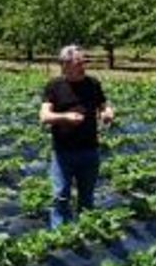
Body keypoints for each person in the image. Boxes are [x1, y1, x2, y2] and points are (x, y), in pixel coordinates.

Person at [39, 45, 116, 229]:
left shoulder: (93, 84)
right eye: (79, 62)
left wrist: (107, 113)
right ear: (65, 64)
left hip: (90, 149)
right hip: (63, 152)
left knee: (87, 196)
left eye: (84, 61)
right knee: (60, 195)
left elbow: (104, 106)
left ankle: (84, 231)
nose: (84, 65)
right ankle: (59, 236)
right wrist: (65, 117)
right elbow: (44, 117)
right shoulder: (55, 86)